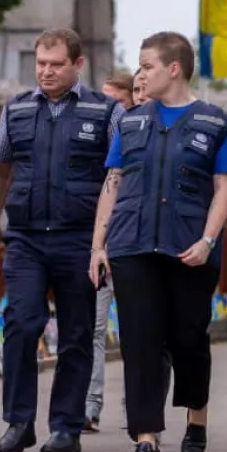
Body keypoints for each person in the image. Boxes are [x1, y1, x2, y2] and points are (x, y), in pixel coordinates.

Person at [90, 33, 227, 452]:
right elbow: (112, 184)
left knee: (188, 338)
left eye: (147, 66)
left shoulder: (214, 122)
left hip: (187, 246)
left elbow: (224, 190)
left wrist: (207, 240)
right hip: (132, 245)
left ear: (174, 68)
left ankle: (196, 413)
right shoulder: (132, 122)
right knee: (140, 342)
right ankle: (147, 439)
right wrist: (98, 245)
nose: (140, 75)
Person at [0, 29, 124, 452]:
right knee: (21, 323)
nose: (46, 71)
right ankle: (19, 422)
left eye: (56, 64)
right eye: (40, 64)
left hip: (80, 238)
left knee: (77, 333)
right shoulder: (16, 110)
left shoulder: (105, 112)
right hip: (25, 238)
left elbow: (118, 177)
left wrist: (106, 240)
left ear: (78, 65)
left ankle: (66, 426)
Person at [84, 69, 139, 431]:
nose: (108, 109)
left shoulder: (139, 136)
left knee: (137, 331)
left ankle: (135, 407)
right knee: (95, 328)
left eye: (116, 102)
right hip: (102, 245)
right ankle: (90, 406)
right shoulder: (94, 143)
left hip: (133, 243)